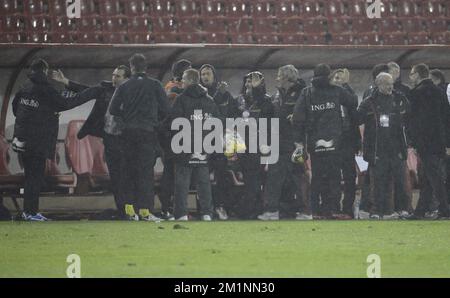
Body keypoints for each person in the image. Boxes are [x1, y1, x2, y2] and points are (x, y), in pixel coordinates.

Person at [12, 58, 104, 221]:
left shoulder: (24, 87)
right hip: (38, 140)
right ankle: (31, 213)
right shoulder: (45, 89)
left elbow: (15, 109)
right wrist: (92, 93)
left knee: (30, 176)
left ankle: (29, 212)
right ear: (45, 71)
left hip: (22, 139)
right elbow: (66, 103)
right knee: (35, 177)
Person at [51, 65, 131, 219]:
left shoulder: (133, 92)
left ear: (127, 79)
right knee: (117, 178)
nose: (114, 78)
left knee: (128, 177)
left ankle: (132, 210)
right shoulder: (105, 89)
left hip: (130, 142)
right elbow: (86, 90)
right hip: (111, 140)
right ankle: (123, 211)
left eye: (118, 76)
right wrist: (65, 81)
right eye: (113, 75)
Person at [109, 53, 169, 221]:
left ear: (132, 68)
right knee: (145, 173)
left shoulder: (124, 86)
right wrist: (154, 121)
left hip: (128, 133)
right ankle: (145, 211)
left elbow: (113, 110)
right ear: (146, 67)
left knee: (127, 172)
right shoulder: (155, 85)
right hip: (147, 133)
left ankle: (129, 211)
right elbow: (166, 110)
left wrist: (127, 115)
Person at [293, 64, 357, 219]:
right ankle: (333, 209)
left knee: (317, 177)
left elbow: (297, 118)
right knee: (334, 177)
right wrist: (345, 84)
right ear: (329, 76)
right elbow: (353, 102)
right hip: (335, 142)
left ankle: (315, 210)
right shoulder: (337, 90)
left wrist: (299, 141)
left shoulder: (307, 93)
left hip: (315, 143)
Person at [257, 64, 310, 221]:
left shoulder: (303, 94)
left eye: (279, 75)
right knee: (274, 178)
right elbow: (268, 112)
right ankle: (272, 210)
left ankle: (305, 211)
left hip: (295, 144)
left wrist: (298, 121)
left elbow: (308, 116)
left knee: (298, 178)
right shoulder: (277, 96)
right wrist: (258, 91)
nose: (277, 78)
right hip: (278, 143)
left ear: (287, 78)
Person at [356, 73, 411, 220]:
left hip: (397, 148)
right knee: (378, 182)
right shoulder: (369, 102)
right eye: (387, 84)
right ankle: (376, 211)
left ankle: (402, 209)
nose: (390, 87)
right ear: (378, 84)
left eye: (391, 83)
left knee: (400, 181)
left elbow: (409, 116)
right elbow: (357, 118)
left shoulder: (399, 99)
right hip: (377, 149)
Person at [171, 68, 221, 221]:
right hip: (203, 146)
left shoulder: (181, 99)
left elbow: (174, 123)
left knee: (182, 183)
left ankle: (181, 214)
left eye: (184, 80)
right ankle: (207, 213)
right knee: (203, 182)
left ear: (190, 80)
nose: (182, 83)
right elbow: (217, 123)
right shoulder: (209, 100)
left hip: (184, 146)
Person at [200, 64, 241, 220]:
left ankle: (221, 206)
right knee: (202, 177)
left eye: (208, 73)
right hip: (203, 142)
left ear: (214, 76)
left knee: (222, 176)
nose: (205, 76)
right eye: (203, 74)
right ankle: (206, 209)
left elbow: (234, 116)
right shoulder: (200, 95)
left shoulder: (226, 95)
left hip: (221, 142)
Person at [408, 64, 450, 219]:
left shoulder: (416, 94)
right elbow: (447, 118)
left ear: (418, 74)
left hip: (425, 142)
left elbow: (416, 121)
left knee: (434, 177)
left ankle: (445, 209)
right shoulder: (439, 92)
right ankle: (420, 211)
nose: (410, 77)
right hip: (438, 141)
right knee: (427, 177)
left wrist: (414, 141)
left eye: (412, 74)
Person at [236, 71, 275, 219]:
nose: (249, 84)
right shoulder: (239, 100)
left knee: (258, 179)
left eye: (252, 81)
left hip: (261, 145)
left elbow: (269, 119)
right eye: (247, 81)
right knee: (249, 179)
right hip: (244, 146)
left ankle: (255, 210)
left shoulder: (266, 100)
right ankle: (252, 209)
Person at [158, 59, 192, 220]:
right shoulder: (174, 90)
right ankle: (168, 208)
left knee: (173, 174)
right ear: (179, 74)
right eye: (188, 72)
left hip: (175, 137)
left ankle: (173, 207)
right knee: (172, 174)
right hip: (172, 138)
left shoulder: (171, 88)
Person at [330, 68, 360, 219]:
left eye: (341, 79)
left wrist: (357, 143)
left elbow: (355, 109)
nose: (338, 81)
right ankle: (334, 207)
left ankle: (348, 208)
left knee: (349, 177)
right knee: (333, 177)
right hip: (332, 143)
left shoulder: (349, 97)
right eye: (336, 78)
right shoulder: (327, 97)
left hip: (348, 142)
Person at [430, 69, 450, 205]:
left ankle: (443, 205)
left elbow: (443, 121)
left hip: (442, 143)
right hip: (444, 142)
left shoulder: (439, 95)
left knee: (441, 174)